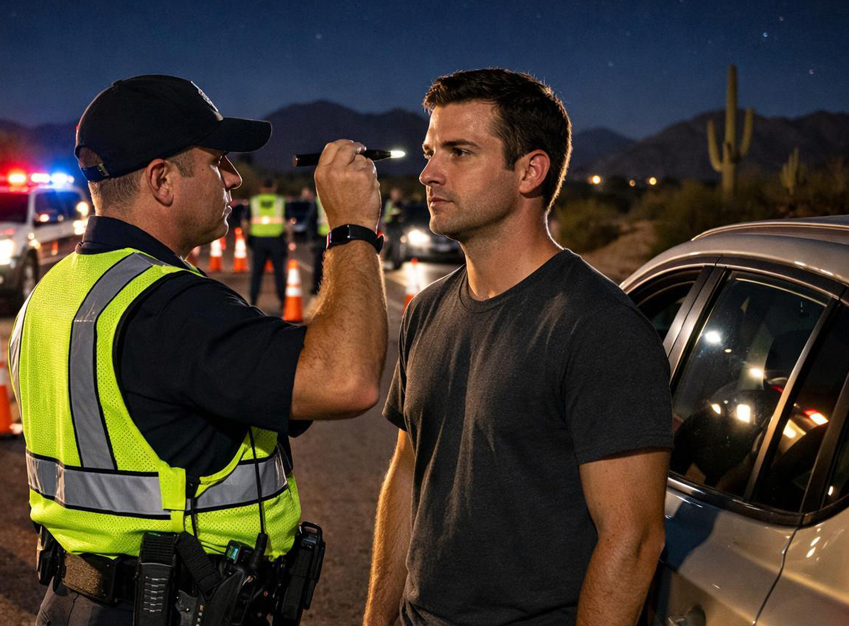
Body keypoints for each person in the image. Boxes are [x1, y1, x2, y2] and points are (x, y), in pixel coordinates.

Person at [9, 74, 387, 626]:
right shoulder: (173, 309)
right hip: (171, 609)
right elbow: (346, 380)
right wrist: (353, 228)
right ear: (162, 179)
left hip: (74, 603)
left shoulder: (53, 292)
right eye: (218, 161)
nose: (234, 177)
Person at [364, 68, 673, 626]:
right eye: (431, 151)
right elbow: (410, 470)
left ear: (530, 171)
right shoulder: (428, 310)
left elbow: (633, 539)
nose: (428, 172)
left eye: (459, 152)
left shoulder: (597, 327)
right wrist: (376, 619)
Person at [247, 178, 287, 307]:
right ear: (274, 187)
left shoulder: (254, 202)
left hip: (258, 241)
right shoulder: (281, 202)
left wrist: (248, 239)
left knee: (256, 273)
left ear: (261, 188)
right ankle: (283, 301)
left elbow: (245, 223)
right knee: (279, 273)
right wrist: (289, 240)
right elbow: (289, 224)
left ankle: (253, 301)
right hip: (277, 240)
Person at [304, 186, 329, 295]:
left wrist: (313, 238)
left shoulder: (319, 200)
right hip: (339, 238)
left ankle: (317, 288)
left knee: (319, 265)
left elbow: (311, 220)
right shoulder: (344, 198)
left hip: (322, 238)